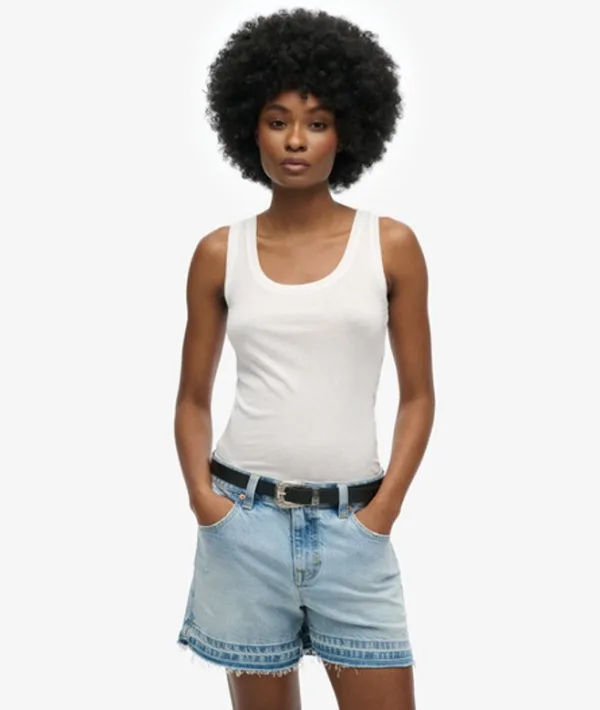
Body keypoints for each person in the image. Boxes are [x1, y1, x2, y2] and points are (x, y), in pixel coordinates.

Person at [174, 8, 435, 710]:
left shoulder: (391, 246)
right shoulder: (219, 253)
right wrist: (206, 505)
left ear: (347, 131)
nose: (295, 140)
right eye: (277, 120)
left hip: (356, 527)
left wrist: (384, 511)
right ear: (248, 128)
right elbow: (192, 399)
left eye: (317, 122)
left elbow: (419, 396)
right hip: (242, 522)